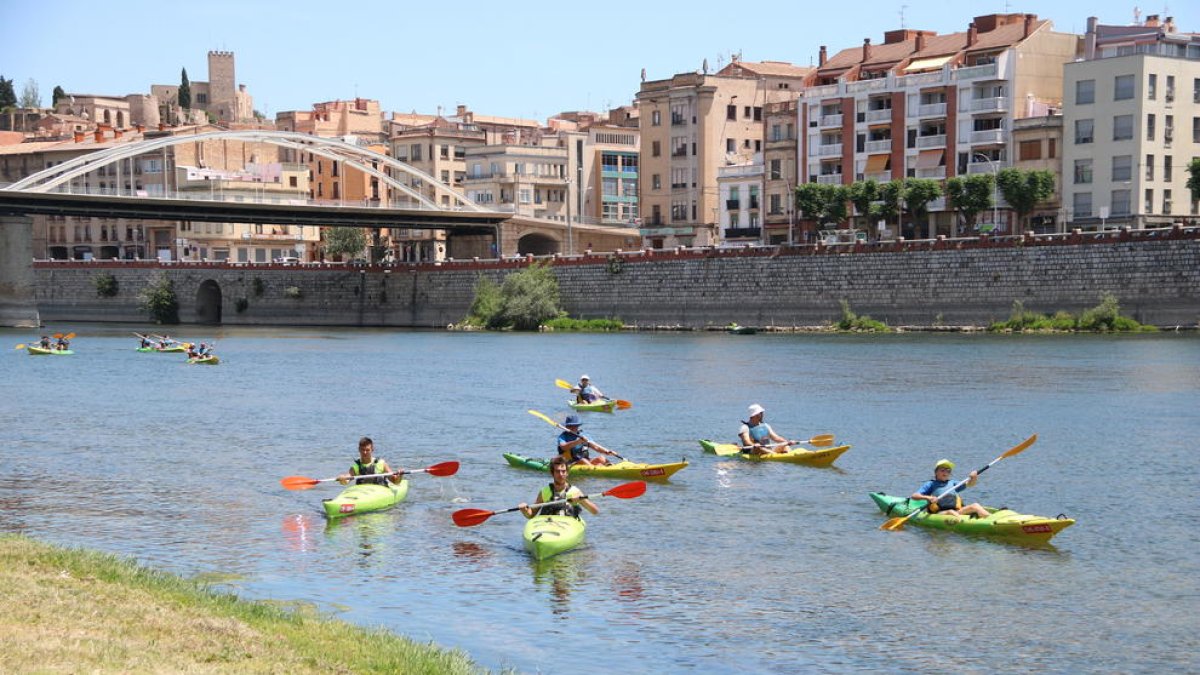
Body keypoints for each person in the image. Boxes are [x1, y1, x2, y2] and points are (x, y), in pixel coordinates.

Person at [519, 456, 599, 519]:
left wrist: (582, 500)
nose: (561, 474)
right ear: (552, 473)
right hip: (548, 525)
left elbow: (595, 511)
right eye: (557, 471)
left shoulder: (575, 491)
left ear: (567, 473)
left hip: (567, 527)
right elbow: (531, 515)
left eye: (563, 471)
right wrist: (524, 510)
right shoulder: (544, 491)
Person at [911, 459, 990, 519]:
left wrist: (974, 477)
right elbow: (914, 496)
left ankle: (991, 519)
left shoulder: (953, 483)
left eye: (948, 471)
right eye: (942, 470)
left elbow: (970, 484)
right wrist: (929, 497)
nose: (945, 472)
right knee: (951, 512)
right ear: (936, 472)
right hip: (939, 513)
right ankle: (963, 523)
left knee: (975, 506)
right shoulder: (931, 484)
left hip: (957, 511)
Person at [337, 437, 404, 487]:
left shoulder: (381, 464)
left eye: (367, 450)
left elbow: (395, 481)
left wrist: (400, 476)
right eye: (362, 450)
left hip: (380, 492)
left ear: (372, 449)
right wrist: (342, 479)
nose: (365, 452)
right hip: (363, 494)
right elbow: (346, 481)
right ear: (359, 450)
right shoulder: (355, 467)